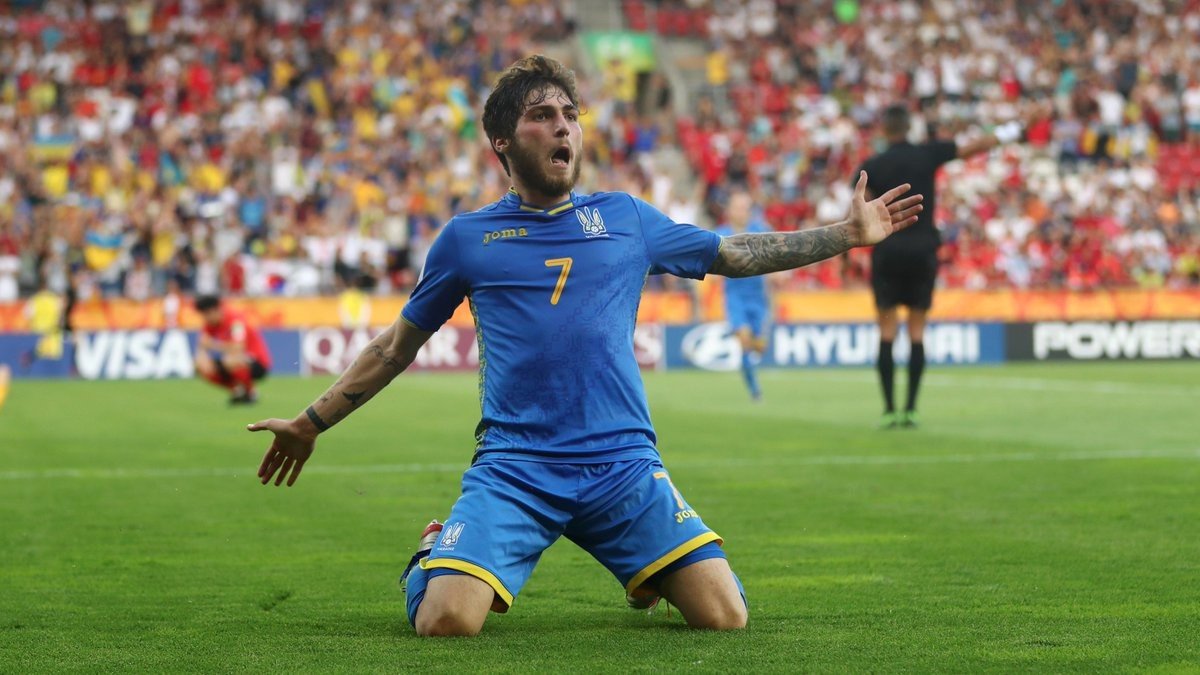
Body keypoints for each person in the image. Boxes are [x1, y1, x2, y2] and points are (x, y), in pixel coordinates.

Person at [247, 55, 922, 637]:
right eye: (542, 115)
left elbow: (733, 252)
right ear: (502, 141)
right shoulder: (465, 239)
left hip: (622, 463)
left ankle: (647, 568)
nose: (564, 126)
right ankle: (434, 551)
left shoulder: (625, 217)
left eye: (570, 114)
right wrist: (310, 423)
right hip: (517, 466)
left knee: (725, 616)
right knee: (446, 622)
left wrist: (844, 235)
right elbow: (395, 347)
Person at [857, 103, 1042, 429]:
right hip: (923, 249)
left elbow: (861, 211)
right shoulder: (927, 154)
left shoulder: (872, 165)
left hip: (887, 250)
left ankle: (888, 410)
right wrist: (1014, 129)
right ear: (909, 127)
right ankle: (910, 410)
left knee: (887, 331)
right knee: (917, 330)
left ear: (884, 130)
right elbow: (975, 146)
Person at [714, 191, 770, 401]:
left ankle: (751, 372)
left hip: (758, 297)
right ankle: (755, 390)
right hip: (735, 297)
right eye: (738, 207)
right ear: (729, 211)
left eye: (745, 208)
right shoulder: (721, 234)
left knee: (759, 347)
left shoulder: (760, 231)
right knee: (744, 340)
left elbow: (777, 256)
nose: (742, 212)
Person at [194, 294, 272, 405]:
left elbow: (238, 347)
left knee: (230, 360)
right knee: (201, 365)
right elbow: (202, 346)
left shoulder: (235, 320)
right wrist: (201, 359)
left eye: (206, 314)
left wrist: (213, 345)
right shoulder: (209, 325)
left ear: (215, 310)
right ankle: (237, 391)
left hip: (256, 361)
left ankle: (251, 392)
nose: (205, 318)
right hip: (231, 360)